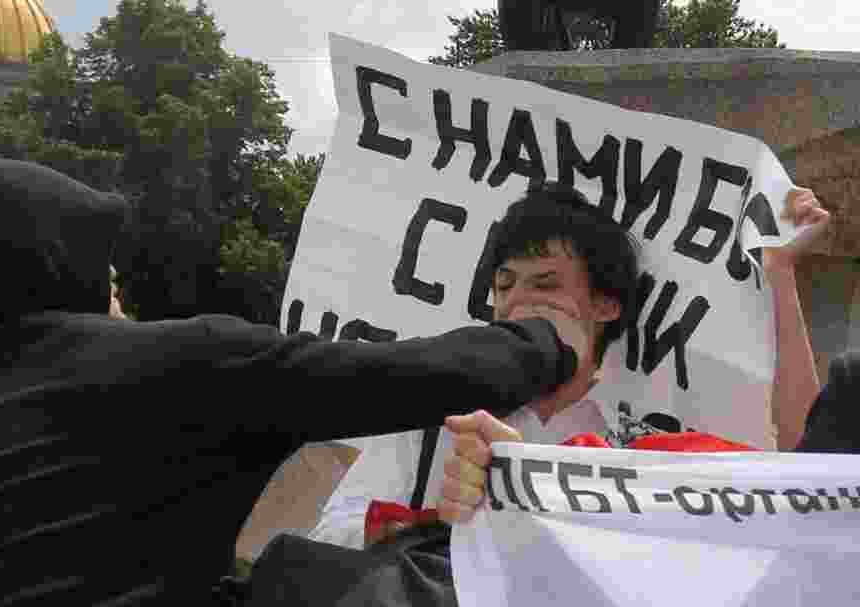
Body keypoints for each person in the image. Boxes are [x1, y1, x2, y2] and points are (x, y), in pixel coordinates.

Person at [0, 158, 589, 607]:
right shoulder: (161, 365)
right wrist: (548, 337)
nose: (122, 298)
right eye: (108, 278)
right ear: (63, 270)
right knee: (318, 588)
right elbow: (420, 377)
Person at [311, 182, 828, 549]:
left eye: (546, 285)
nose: (517, 305)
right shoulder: (435, 413)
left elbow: (804, 473)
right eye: (505, 285)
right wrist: (440, 529)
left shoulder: (637, 438)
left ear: (605, 305)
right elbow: (329, 534)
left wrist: (780, 273)